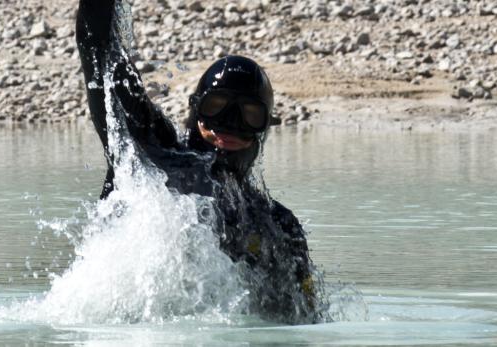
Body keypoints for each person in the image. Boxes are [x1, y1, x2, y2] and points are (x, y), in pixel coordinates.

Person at [76, 0, 321, 323]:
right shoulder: (150, 156)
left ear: (263, 128)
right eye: (217, 106)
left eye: (248, 114)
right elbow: (101, 54)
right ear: (196, 109)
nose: (229, 124)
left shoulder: (278, 226)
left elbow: (304, 323)